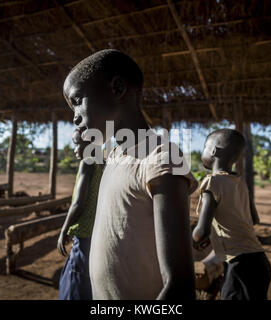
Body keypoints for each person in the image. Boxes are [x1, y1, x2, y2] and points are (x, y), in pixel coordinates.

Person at [63, 49, 198, 299]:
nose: (74, 116)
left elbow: (180, 286)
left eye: (78, 100)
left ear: (116, 89)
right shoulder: (113, 158)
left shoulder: (163, 157)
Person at [192, 129, 271, 300]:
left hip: (240, 266)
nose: (203, 151)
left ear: (213, 151)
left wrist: (192, 241)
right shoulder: (239, 181)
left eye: (205, 147)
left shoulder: (212, 182)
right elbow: (254, 220)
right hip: (259, 261)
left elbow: (201, 232)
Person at [56, 127, 103, 300]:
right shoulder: (101, 163)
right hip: (96, 235)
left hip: (84, 236)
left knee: (74, 286)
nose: (76, 149)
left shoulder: (88, 162)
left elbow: (78, 203)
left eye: (78, 144)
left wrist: (64, 229)